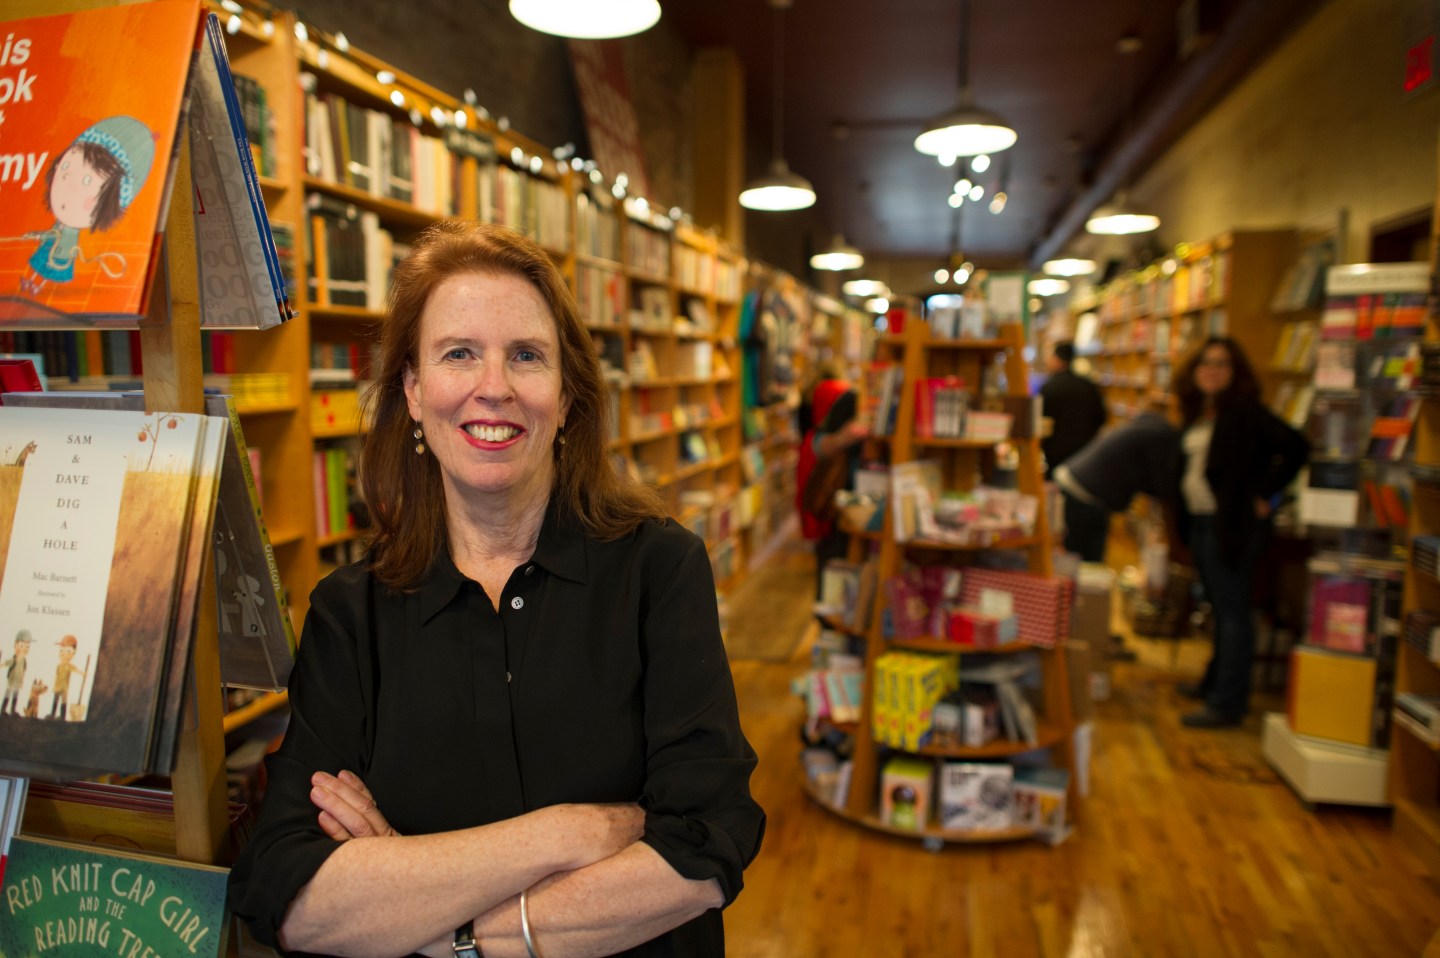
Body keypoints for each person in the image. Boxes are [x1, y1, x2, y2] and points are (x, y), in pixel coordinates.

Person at [228, 222, 765, 957]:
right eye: (459, 354)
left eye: (526, 356)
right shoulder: (349, 614)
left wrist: (430, 916)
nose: (494, 387)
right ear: (414, 393)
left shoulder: (658, 572)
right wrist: (565, 835)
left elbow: (705, 851)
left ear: (568, 396)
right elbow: (286, 893)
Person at [1171, 336, 1309, 729]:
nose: (1212, 370)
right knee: (1219, 607)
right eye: (1205, 363)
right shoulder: (1202, 412)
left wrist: (1266, 494)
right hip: (1203, 522)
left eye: (1222, 364)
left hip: (1231, 527)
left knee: (1234, 614)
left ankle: (1227, 703)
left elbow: (1296, 447)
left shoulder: (1245, 412)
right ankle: (1214, 683)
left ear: (1236, 373)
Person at [1053, 402, 1180, 563]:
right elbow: (1164, 486)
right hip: (1082, 493)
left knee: (1084, 558)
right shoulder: (1163, 436)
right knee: (1084, 561)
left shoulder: (1149, 428)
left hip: (1075, 483)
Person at [1038, 340, 1107, 479]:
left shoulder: (1049, 387)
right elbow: (1101, 417)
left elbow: (1042, 422)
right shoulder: (1089, 386)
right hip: (1085, 451)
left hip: (1055, 453)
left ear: (1058, 360)